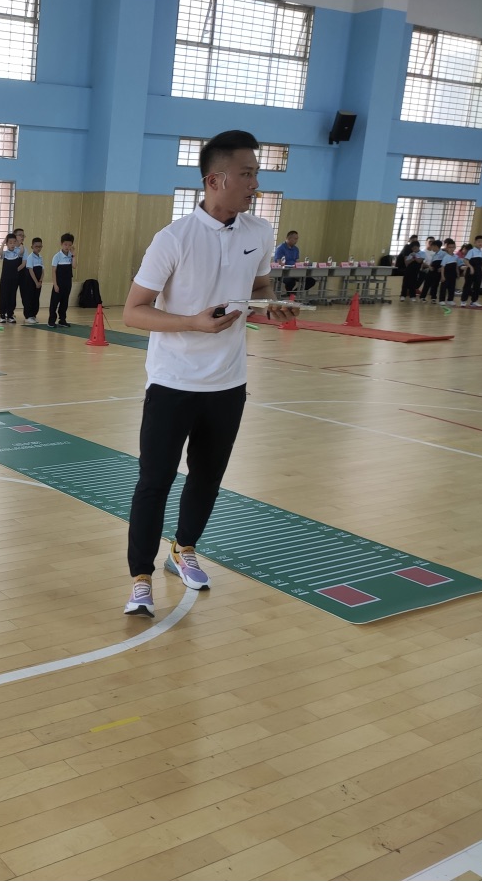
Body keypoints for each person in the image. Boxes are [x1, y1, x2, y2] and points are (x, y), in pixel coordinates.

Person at [120, 129, 294, 619]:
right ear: (215, 180)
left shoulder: (259, 232)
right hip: (172, 383)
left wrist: (270, 307)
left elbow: (258, 290)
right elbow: (133, 311)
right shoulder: (173, 239)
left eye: (256, 174)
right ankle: (140, 579)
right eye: (247, 174)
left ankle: (184, 548)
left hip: (228, 384)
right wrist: (192, 323)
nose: (255, 184)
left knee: (207, 478)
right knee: (154, 481)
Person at [272, 230, 316, 294]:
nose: (296, 241)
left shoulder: (296, 249)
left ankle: (294, 293)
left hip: (295, 272)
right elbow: (278, 263)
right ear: (289, 238)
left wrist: (302, 265)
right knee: (291, 282)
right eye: (295, 239)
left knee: (311, 281)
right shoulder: (280, 248)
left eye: (297, 239)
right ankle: (290, 294)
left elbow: (296, 262)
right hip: (283, 272)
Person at [49, 233, 75, 327]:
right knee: (54, 302)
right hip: (59, 282)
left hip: (67, 282)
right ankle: (51, 321)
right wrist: (55, 284)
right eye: (65, 244)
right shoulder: (57, 256)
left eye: (69, 245)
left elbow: (74, 266)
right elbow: (53, 271)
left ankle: (62, 319)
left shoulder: (71, 256)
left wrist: (74, 255)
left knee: (65, 302)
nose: (67, 247)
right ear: (61, 244)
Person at [0, 233, 21, 324]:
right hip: (5, 279)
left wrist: (19, 243)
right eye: (10, 242)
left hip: (14, 279)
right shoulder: (5, 253)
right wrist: (3, 244)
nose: (12, 244)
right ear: (7, 244)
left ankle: (10, 314)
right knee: (3, 296)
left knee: (12, 296)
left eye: (14, 242)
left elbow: (22, 251)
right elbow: (0, 252)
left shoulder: (16, 253)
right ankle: (2, 314)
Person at [462, 235, 482, 307]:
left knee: (477, 286)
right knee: (467, 285)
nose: (480, 243)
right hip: (471, 271)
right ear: (475, 242)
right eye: (479, 242)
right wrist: (471, 267)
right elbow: (465, 260)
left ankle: (474, 301)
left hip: (478, 271)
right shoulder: (471, 251)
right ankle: (463, 301)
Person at [438, 237, 461, 305]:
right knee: (444, 287)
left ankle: (450, 300)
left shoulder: (456, 257)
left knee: (452, 287)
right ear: (447, 248)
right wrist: (442, 276)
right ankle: (441, 300)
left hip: (453, 274)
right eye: (450, 247)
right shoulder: (446, 257)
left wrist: (457, 273)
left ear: (455, 248)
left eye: (453, 247)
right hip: (446, 274)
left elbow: (456, 266)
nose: (451, 249)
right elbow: (442, 267)